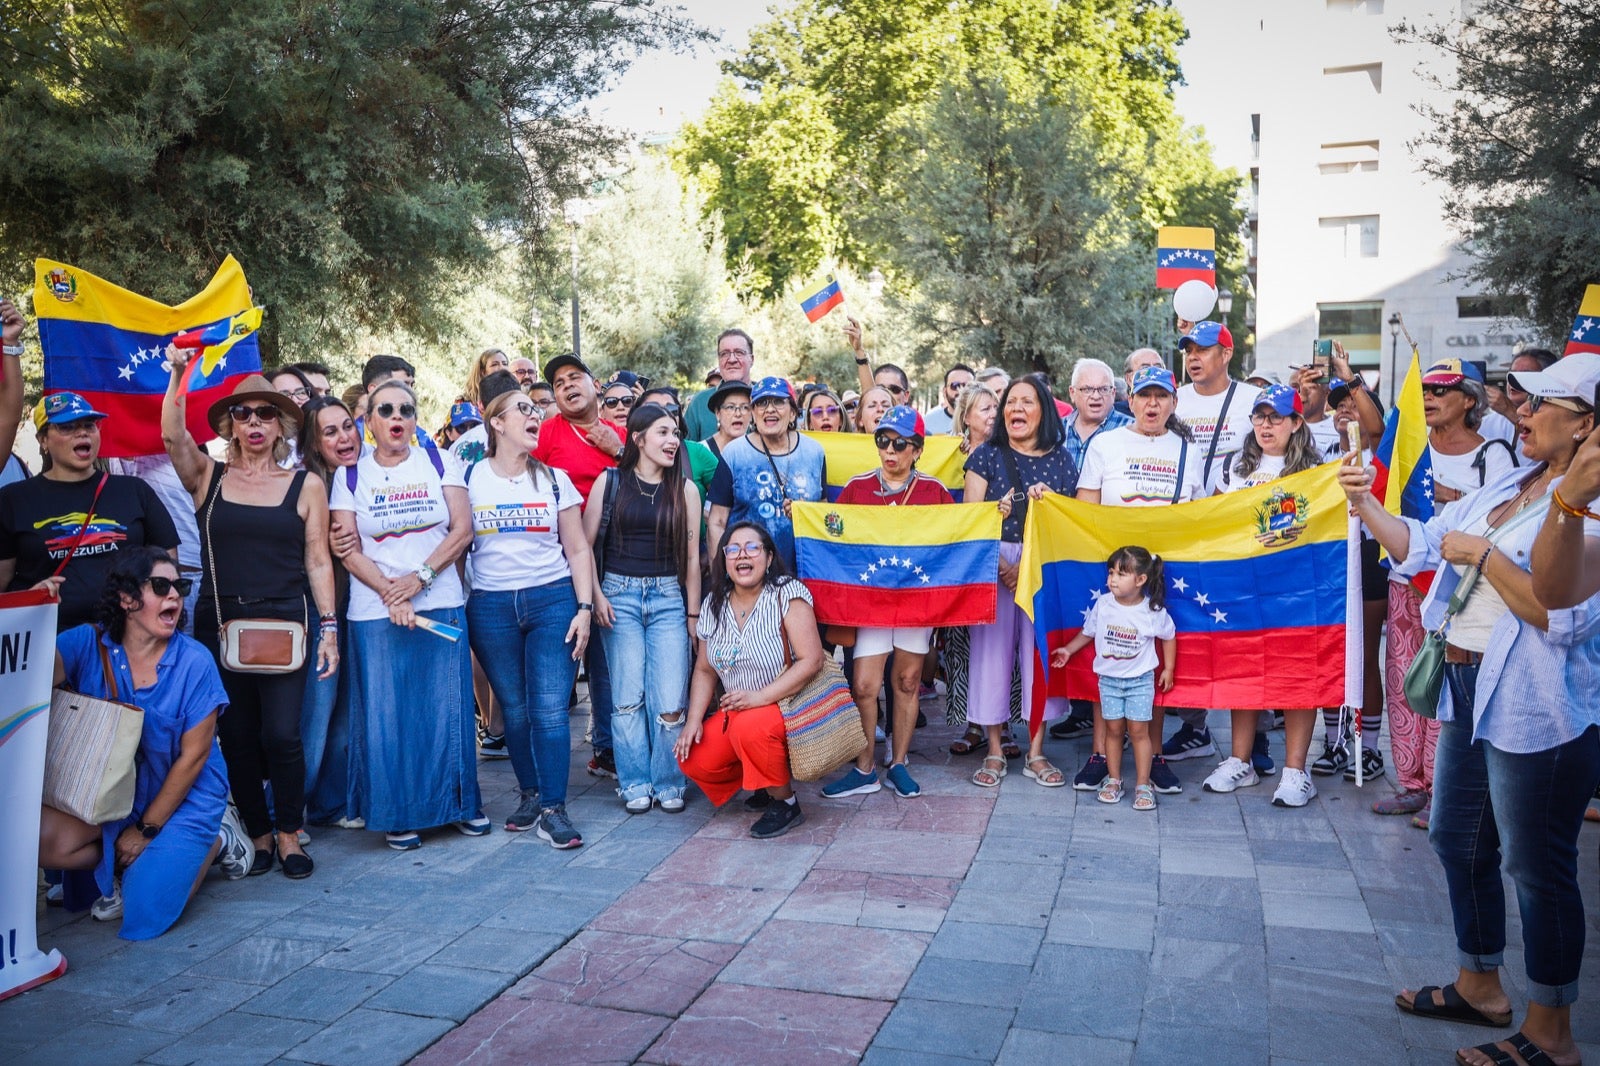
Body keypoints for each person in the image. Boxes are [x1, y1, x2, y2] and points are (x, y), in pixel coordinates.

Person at [1340, 353, 1600, 1066]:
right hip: (1466, 688)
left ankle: (1553, 1034)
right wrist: (1364, 502)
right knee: (1458, 839)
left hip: (1537, 705)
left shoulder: (1589, 506)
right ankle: (1479, 982)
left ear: (1584, 427)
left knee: (1538, 866)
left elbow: (1560, 614)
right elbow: (1421, 543)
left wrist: (1484, 556)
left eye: (1537, 402)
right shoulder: (1516, 483)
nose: (1520, 410)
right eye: (1518, 399)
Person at [161, 361, 338, 878]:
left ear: (282, 425)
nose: (255, 422)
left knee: (283, 735)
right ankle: (258, 835)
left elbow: (318, 559)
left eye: (266, 413)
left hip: (287, 623)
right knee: (236, 736)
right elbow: (173, 435)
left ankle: (289, 834)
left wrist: (329, 628)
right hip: (220, 621)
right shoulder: (207, 477)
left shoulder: (305, 485)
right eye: (244, 413)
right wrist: (177, 376)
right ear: (230, 424)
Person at [38, 548, 251, 939]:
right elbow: (28, 679)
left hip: (186, 795)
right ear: (127, 598)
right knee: (41, 842)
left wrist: (146, 830)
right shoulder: (88, 643)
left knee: (144, 914)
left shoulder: (194, 661)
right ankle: (127, 867)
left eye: (179, 586)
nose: (174, 595)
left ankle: (219, 836)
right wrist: (35, 612)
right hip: (112, 792)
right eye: (160, 586)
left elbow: (194, 757)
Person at [329, 378, 485, 850]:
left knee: (448, 710)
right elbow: (346, 547)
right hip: (375, 613)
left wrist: (418, 580)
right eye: (386, 410)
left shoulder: (440, 460)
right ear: (369, 421)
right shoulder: (350, 475)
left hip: (438, 601)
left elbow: (462, 531)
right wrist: (390, 594)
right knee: (388, 716)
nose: (397, 418)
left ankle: (459, 806)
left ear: (416, 419)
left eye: (406, 410)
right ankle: (398, 814)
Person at [464, 388, 594, 846]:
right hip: (491, 605)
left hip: (552, 599)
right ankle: (531, 794)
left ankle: (554, 810)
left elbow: (577, 548)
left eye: (536, 410)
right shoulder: (468, 478)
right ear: (496, 423)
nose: (534, 415)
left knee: (549, 709)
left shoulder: (555, 479)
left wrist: (584, 608)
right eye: (523, 408)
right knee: (514, 710)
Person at [1076, 365, 1202, 795]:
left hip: (1166, 574)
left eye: (1161, 396)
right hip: (1111, 570)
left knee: (1149, 665)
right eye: (1144, 395)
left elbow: (1199, 516)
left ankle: (1156, 756)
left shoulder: (1189, 450)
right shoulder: (1105, 443)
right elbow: (1084, 508)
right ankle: (1099, 753)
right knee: (1108, 656)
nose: (1152, 404)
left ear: (1173, 402)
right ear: (1130, 400)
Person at [820, 408, 954, 801]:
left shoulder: (933, 491)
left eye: (899, 443)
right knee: (863, 685)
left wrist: (990, 516)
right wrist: (809, 518)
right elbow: (834, 529)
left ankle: (897, 762)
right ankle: (865, 769)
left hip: (915, 602)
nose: (889, 450)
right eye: (882, 441)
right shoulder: (859, 486)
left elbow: (957, 534)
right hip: (870, 602)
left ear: (917, 449)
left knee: (907, 682)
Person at [1206, 385, 1326, 807]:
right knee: (1244, 669)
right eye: (1259, 416)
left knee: (1296, 675)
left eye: (1276, 417)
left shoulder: (1317, 471)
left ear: (1297, 423)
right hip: (1243, 586)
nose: (1265, 425)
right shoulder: (1233, 465)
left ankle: (1296, 771)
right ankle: (1241, 761)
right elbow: (1214, 518)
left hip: (1295, 590)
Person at [963, 374, 1079, 789]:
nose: (1016, 409)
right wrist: (1003, 567)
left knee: (1038, 657)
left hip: (1043, 567)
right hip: (994, 567)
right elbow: (970, 521)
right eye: (1010, 402)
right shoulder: (984, 457)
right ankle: (994, 750)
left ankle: (1035, 751)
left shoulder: (1063, 460)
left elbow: (1071, 523)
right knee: (990, 656)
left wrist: (1030, 564)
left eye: (1027, 402)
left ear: (1044, 409)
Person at [674, 522, 825, 838]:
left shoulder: (786, 593)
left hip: (787, 703)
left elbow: (812, 660)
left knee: (748, 726)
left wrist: (760, 698)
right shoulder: (714, 604)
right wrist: (693, 720)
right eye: (733, 549)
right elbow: (704, 670)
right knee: (693, 757)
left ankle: (786, 802)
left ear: (768, 558)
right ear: (725, 560)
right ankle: (763, 780)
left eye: (752, 547)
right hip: (742, 710)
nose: (742, 555)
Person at [586, 403, 702, 814]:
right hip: (618, 595)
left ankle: (668, 780)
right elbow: (584, 547)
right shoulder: (610, 481)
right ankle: (634, 781)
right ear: (638, 438)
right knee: (627, 698)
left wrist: (692, 614)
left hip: (669, 596)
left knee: (671, 699)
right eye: (663, 433)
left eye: (675, 434)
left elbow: (691, 558)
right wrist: (595, 596)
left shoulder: (685, 488)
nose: (673, 441)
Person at [1162, 322, 1262, 765]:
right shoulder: (1173, 399)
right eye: (1188, 351)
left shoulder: (1250, 400)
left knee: (1241, 628)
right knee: (1187, 624)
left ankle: (1255, 734)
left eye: (1203, 349)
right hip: (1184, 529)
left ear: (1227, 352)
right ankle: (1193, 725)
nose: (1193, 357)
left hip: (1237, 531)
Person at [0, 393, 180, 630]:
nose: (82, 432)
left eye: (89, 425)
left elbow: (169, 570)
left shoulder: (135, 491)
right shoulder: (13, 499)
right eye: (67, 427)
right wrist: (27, 600)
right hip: (49, 644)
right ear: (43, 440)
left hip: (128, 641)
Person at [533, 352, 625, 779]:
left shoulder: (622, 433)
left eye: (575, 377)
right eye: (558, 383)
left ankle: (607, 746)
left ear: (595, 385)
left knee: (607, 656)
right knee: (565, 654)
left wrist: (618, 449)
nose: (568, 386)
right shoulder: (546, 433)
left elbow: (651, 478)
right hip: (560, 554)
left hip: (617, 554)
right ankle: (546, 755)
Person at [1049, 546, 1175, 811]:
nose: (1112, 579)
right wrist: (1068, 650)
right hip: (1109, 681)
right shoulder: (1103, 603)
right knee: (1114, 731)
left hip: (1140, 682)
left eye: (1121, 573)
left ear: (1141, 580)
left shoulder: (1151, 609)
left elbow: (1169, 635)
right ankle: (1114, 780)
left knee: (1139, 733)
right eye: (1110, 573)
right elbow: (1088, 631)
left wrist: (1168, 669)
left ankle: (1143, 784)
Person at [295, 395, 363, 829]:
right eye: (330, 431)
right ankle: (286, 812)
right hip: (325, 616)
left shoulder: (372, 473)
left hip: (366, 612)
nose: (344, 437)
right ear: (314, 444)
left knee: (346, 715)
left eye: (348, 426)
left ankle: (330, 803)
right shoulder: (306, 485)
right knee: (317, 717)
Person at [945, 382, 1022, 751]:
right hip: (962, 558)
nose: (993, 414)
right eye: (984, 409)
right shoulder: (947, 453)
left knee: (1001, 646)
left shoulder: (1010, 451)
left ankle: (1002, 724)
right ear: (966, 417)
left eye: (996, 407)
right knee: (967, 646)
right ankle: (972, 724)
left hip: (999, 556)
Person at [706, 376, 826, 573]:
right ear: (753, 413)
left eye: (778, 401)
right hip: (746, 577)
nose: (769, 409)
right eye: (761, 403)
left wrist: (805, 512)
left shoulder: (815, 452)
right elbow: (717, 521)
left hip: (803, 574)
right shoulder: (734, 454)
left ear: (793, 413)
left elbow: (823, 509)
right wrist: (721, 576)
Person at [685, 329, 756, 441]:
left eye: (739, 353)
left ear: (751, 359)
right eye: (725, 354)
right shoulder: (699, 403)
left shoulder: (765, 400)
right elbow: (685, 453)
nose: (732, 359)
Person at [1487, 349, 1557, 425]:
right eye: (1512, 374)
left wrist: (1510, 412)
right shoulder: (1488, 422)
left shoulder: (1557, 419)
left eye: (1524, 375)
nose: (1514, 380)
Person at [924, 364, 976, 435]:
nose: (961, 390)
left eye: (967, 386)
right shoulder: (928, 421)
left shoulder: (985, 420)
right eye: (954, 385)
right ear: (945, 391)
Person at [706, 379, 752, 459]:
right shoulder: (703, 450)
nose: (738, 414)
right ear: (718, 413)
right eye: (730, 407)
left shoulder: (758, 452)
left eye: (745, 407)